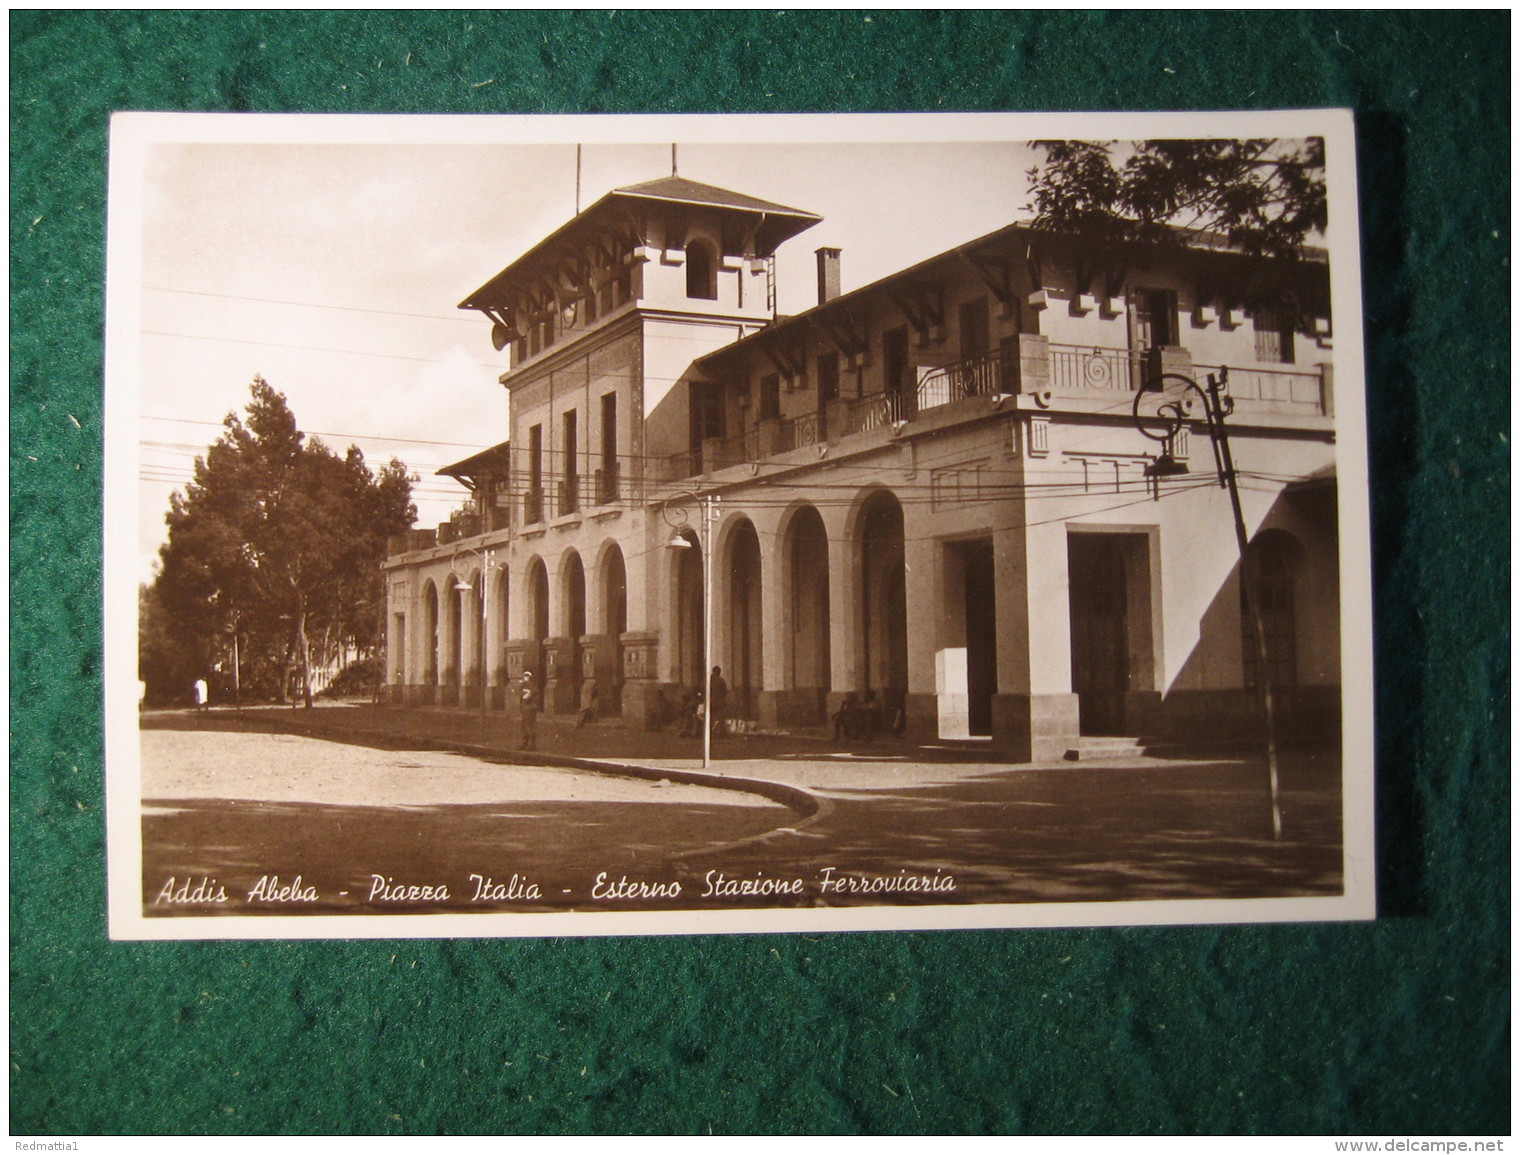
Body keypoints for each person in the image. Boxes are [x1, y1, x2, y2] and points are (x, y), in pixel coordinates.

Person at [518, 670, 539, 751]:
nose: (525, 678)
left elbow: (527, 697)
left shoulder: (530, 685)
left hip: (529, 709)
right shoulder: (526, 685)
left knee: (529, 726)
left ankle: (532, 745)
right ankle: (525, 744)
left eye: (527, 676)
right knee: (525, 726)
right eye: (525, 676)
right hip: (526, 709)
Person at [709, 666, 728, 738]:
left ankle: (710, 732)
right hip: (719, 702)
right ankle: (720, 733)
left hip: (710, 702)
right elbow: (724, 691)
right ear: (718, 672)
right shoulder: (721, 680)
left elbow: (701, 689)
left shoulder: (707, 680)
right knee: (720, 717)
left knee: (710, 718)